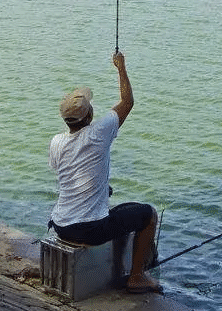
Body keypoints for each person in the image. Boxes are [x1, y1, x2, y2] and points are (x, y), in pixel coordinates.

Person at [48, 50, 162, 294]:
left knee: (119, 210)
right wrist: (121, 67)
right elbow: (127, 102)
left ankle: (122, 268)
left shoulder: (56, 141)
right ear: (89, 115)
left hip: (60, 224)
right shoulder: (99, 132)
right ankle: (137, 276)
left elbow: (67, 174)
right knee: (148, 214)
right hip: (88, 230)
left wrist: (100, 186)